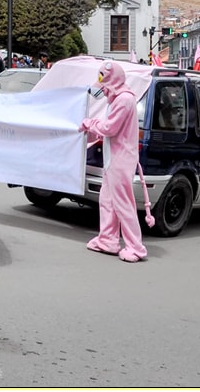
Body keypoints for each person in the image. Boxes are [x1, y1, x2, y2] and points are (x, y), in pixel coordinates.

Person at [79, 60, 147, 262]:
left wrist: (90, 124)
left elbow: (110, 128)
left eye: (104, 83)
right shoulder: (118, 99)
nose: (102, 90)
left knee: (123, 203)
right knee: (107, 200)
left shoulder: (124, 100)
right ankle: (108, 239)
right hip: (114, 158)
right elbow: (109, 130)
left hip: (120, 159)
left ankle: (135, 247)